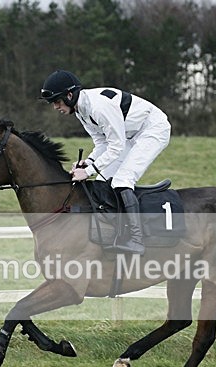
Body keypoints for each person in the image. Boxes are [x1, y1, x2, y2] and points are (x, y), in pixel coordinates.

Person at [40, 69, 171, 255]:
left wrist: (88, 171)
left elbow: (116, 146)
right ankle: (115, 233)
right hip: (127, 135)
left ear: (69, 95)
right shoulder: (81, 111)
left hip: (152, 130)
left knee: (122, 180)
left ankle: (136, 239)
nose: (55, 107)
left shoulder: (98, 107)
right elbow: (102, 142)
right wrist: (89, 162)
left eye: (57, 101)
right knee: (102, 181)